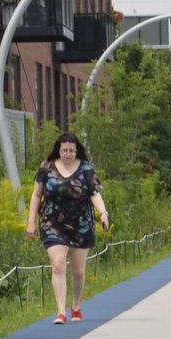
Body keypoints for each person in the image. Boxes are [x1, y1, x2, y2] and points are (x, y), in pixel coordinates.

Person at [27, 132, 111, 324]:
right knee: (57, 264)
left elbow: (94, 193)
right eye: (64, 150)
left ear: (76, 151)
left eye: (71, 151)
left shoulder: (86, 169)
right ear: (59, 149)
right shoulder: (46, 168)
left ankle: (76, 305)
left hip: (80, 224)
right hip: (52, 222)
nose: (68, 154)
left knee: (78, 271)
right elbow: (36, 195)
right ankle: (60, 311)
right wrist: (31, 220)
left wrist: (103, 213)